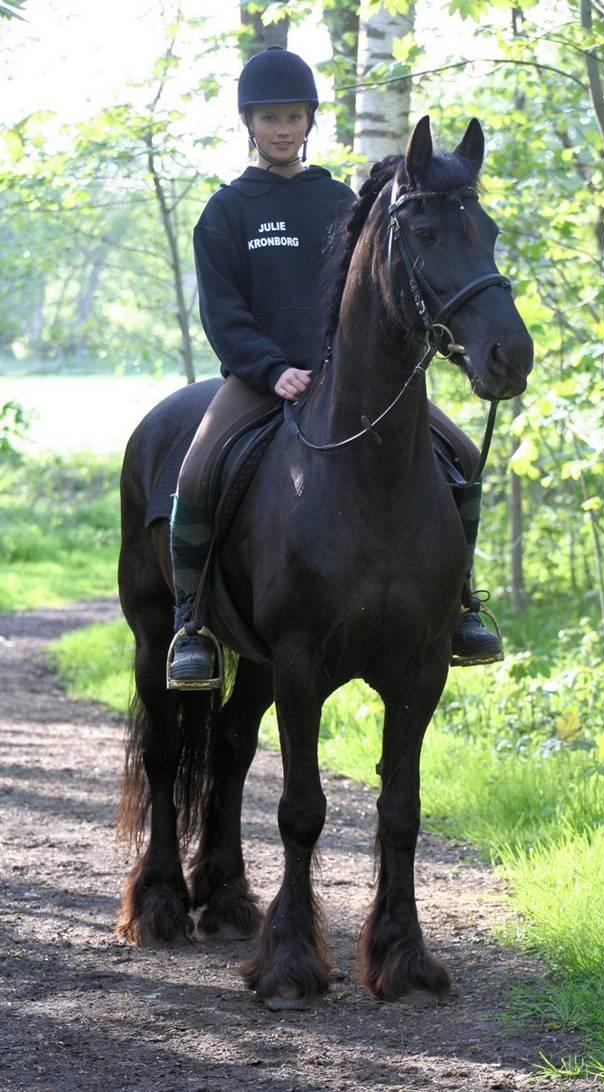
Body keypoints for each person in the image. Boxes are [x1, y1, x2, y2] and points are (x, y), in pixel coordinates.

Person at [167, 46, 502, 688]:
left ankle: (461, 602)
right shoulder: (227, 211)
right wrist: (270, 370)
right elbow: (224, 311)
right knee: (197, 468)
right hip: (260, 381)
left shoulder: (338, 203)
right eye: (269, 118)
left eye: (294, 116)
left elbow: (379, 291)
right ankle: (193, 624)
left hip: (345, 382)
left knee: (460, 454)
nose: (282, 129)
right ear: (249, 125)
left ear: (310, 121)